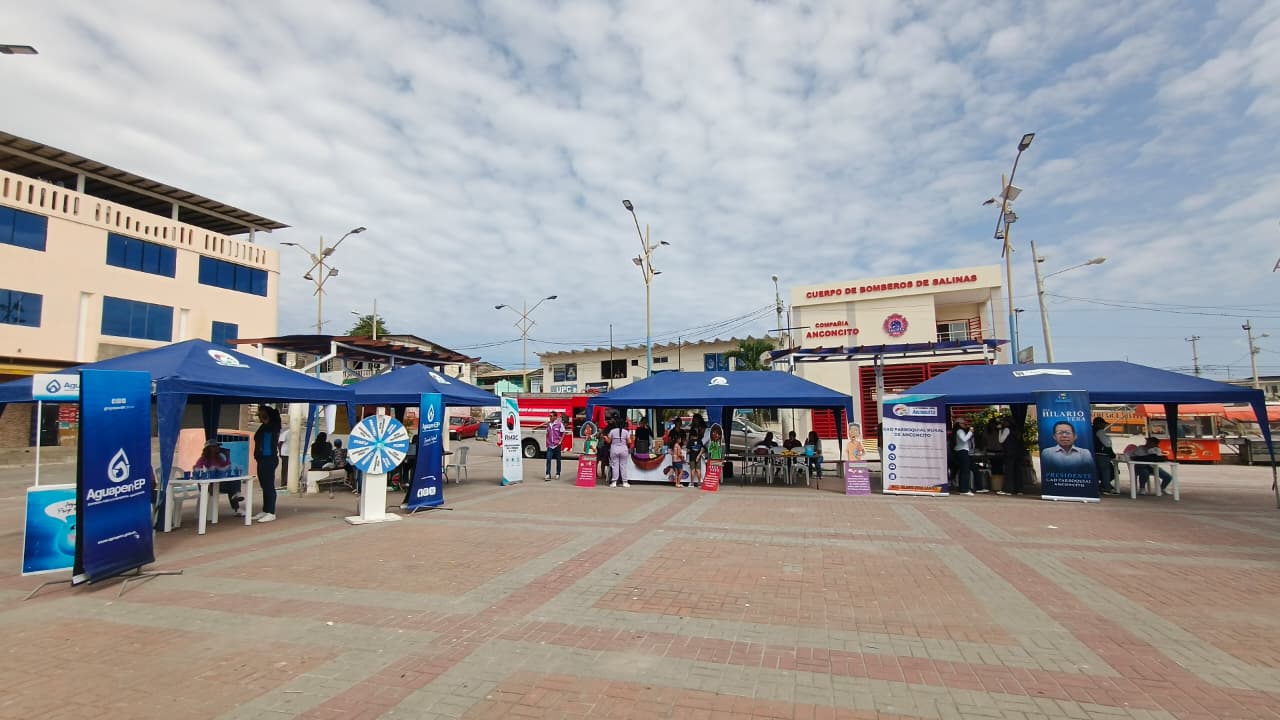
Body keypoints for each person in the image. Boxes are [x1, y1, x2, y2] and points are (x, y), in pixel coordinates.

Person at [194, 438, 243, 516]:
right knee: (232, 487)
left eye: (217, 446)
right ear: (208, 449)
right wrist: (208, 484)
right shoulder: (203, 460)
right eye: (214, 446)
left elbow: (227, 469)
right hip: (208, 485)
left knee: (234, 481)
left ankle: (237, 502)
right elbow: (197, 474)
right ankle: (236, 499)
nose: (217, 448)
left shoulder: (219, 458)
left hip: (219, 483)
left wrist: (227, 456)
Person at [253, 406, 282, 523]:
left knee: (269, 485)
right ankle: (265, 509)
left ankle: (271, 512)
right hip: (261, 458)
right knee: (264, 485)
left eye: (261, 415)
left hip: (269, 459)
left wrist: (266, 418)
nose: (259, 417)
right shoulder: (264, 427)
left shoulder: (273, 426)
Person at [996, 419, 1025, 496]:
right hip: (1018, 453)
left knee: (1009, 471)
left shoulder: (1006, 429)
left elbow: (1001, 440)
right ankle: (1019, 490)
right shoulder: (1017, 431)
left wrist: (1000, 430)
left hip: (1009, 453)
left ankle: (1008, 489)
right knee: (1017, 471)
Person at [1092, 417, 1119, 495]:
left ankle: (1098, 487)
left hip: (1093, 454)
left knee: (1096, 471)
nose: (1104, 426)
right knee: (1106, 471)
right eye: (1103, 424)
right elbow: (1107, 443)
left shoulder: (1090, 430)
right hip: (1102, 454)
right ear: (1099, 424)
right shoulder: (1100, 431)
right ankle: (1106, 488)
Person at [604, 416, 632, 488]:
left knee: (615, 466)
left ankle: (614, 482)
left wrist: (605, 438)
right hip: (623, 449)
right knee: (623, 466)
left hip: (614, 449)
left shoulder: (612, 431)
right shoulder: (626, 432)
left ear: (616, 424)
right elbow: (629, 442)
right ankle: (625, 482)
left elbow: (609, 441)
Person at [953, 417, 975, 496]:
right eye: (963, 424)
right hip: (962, 451)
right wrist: (970, 432)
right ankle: (964, 490)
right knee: (965, 471)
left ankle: (963, 488)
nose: (965, 425)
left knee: (964, 471)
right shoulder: (959, 431)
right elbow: (964, 439)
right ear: (959, 424)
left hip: (961, 451)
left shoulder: (959, 431)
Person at [544, 411, 565, 481]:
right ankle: (548, 474)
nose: (550, 417)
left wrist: (560, 441)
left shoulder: (559, 424)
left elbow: (563, 433)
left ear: (555, 417)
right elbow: (547, 433)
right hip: (550, 445)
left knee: (558, 460)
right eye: (549, 416)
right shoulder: (548, 424)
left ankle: (558, 473)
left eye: (551, 416)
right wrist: (547, 442)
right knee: (548, 459)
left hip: (557, 445)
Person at [278, 425, 291, 491]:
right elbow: (280, 443)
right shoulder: (286, 433)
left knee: (289, 469)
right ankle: (284, 483)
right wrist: (280, 452)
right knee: (285, 469)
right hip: (285, 453)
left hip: (291, 453)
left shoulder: (295, 433)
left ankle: (289, 482)